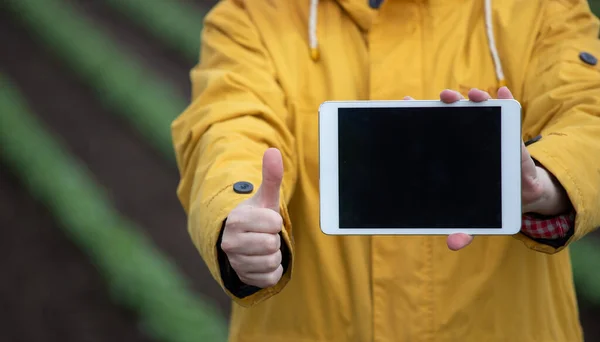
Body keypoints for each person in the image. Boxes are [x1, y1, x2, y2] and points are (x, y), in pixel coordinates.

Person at [171, 0, 600, 340]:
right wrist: (238, 210)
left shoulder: (540, 7)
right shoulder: (252, 14)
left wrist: (544, 181)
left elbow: (589, 110)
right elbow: (227, 125)